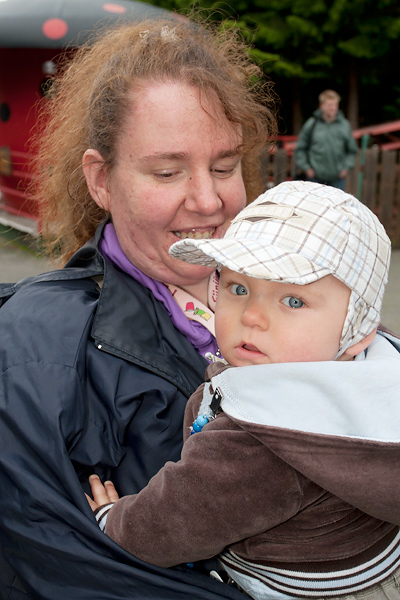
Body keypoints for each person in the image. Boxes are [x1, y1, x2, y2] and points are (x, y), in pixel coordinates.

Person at [0, 16, 277, 600]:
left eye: (224, 166)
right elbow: (69, 570)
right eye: (167, 171)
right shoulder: (36, 347)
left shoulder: (296, 289)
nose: (208, 200)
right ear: (101, 179)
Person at [87, 181, 400, 600]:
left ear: (357, 332)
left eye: (292, 301)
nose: (252, 315)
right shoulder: (376, 367)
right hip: (372, 563)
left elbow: (176, 521)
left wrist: (112, 520)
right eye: (239, 288)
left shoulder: (267, 439)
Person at [295, 89, 358, 190]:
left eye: (334, 105)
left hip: (337, 179)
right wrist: (306, 168)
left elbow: (352, 150)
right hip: (314, 178)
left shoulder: (344, 125)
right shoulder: (312, 124)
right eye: (329, 105)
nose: (332, 108)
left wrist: (346, 168)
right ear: (322, 106)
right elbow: (300, 148)